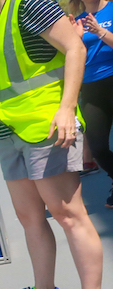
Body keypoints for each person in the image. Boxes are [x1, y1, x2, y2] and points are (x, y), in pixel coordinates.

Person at [0, 0, 110, 289]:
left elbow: (74, 48)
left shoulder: (30, 4)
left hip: (47, 126)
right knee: (29, 217)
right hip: (8, 132)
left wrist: (67, 108)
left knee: (67, 214)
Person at [71, 0, 113, 205]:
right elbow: (72, 57)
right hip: (91, 87)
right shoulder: (77, 20)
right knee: (97, 148)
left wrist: (99, 31)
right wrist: (75, 40)